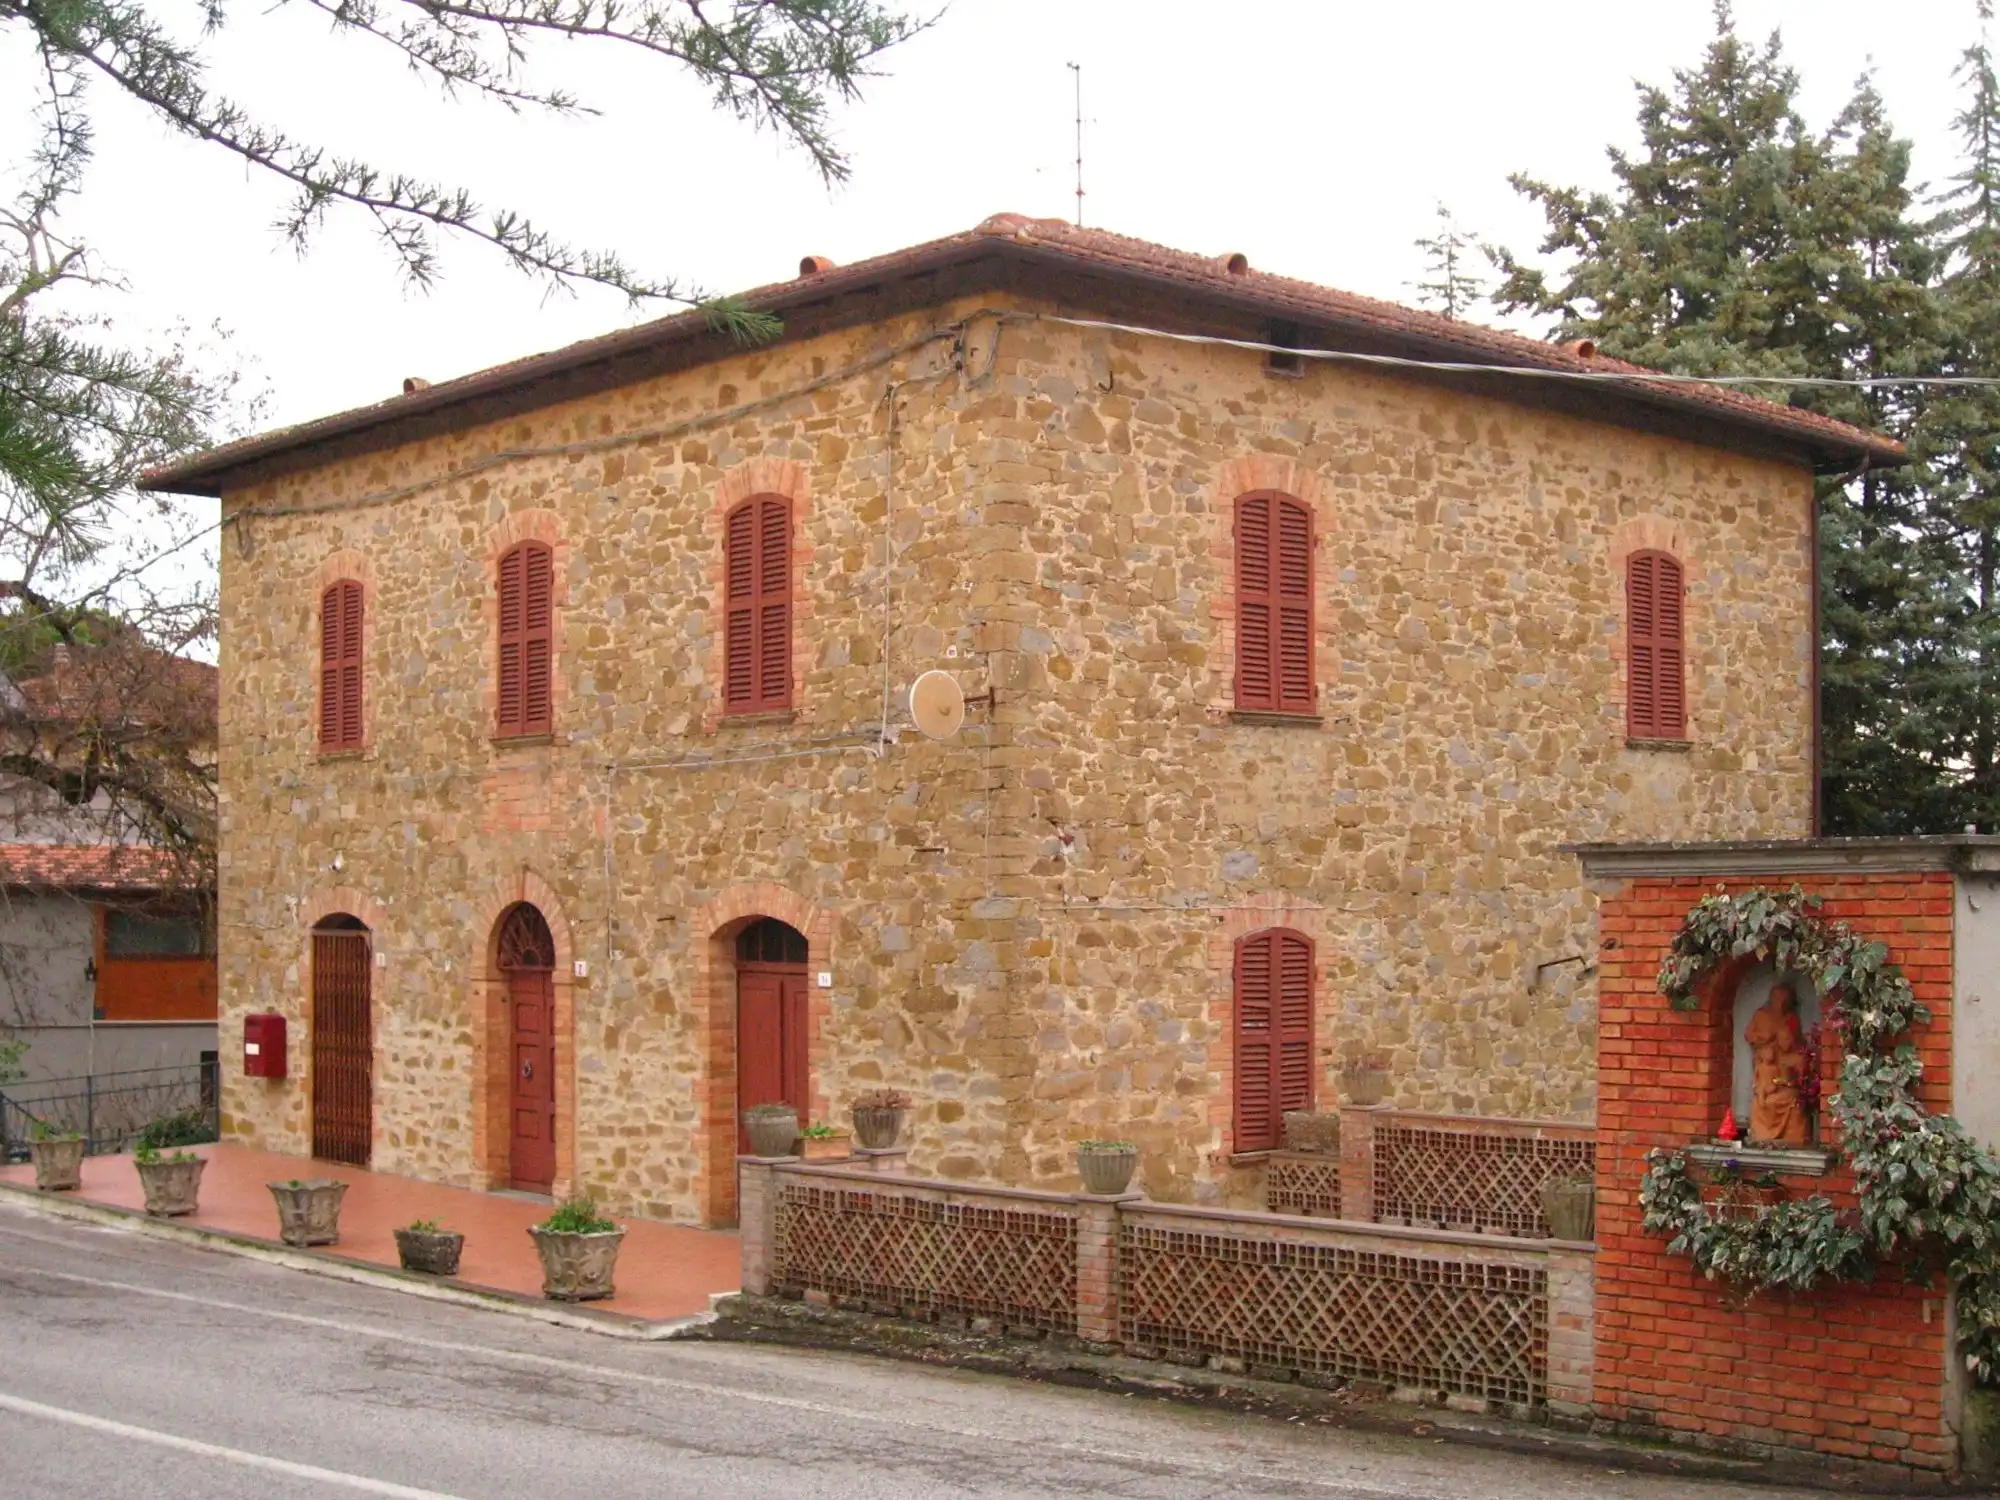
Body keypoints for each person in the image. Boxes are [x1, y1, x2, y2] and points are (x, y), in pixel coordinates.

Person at [1745, 982, 1810, 1145]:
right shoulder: (1761, 1015)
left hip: (1785, 1058)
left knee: (1795, 1071)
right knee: (1766, 1076)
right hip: (1766, 1058)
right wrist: (1763, 1040)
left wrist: (1789, 1042)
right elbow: (1749, 1035)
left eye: (1785, 1000)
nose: (1781, 1003)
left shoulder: (1791, 1018)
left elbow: (1798, 1041)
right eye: (1778, 998)